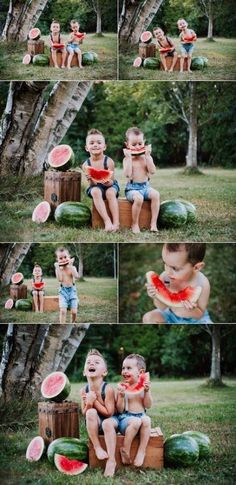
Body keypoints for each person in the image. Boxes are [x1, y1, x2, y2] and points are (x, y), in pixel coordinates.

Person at [101, 353, 152, 477]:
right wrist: (122, 396)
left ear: (141, 372)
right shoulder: (122, 387)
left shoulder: (144, 386)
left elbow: (148, 405)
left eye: (129, 368)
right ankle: (125, 449)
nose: (124, 371)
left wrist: (147, 392)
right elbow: (120, 409)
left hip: (140, 416)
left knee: (147, 420)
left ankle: (141, 451)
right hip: (126, 418)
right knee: (135, 421)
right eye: (123, 368)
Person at [143, 243, 212, 324]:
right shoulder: (165, 278)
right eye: (165, 263)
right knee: (148, 318)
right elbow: (162, 307)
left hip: (195, 320)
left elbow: (200, 314)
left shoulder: (202, 283)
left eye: (174, 268)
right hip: (170, 313)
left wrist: (191, 311)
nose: (168, 271)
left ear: (196, 267)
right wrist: (156, 297)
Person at [80, 349, 115, 474]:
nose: (91, 364)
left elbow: (109, 413)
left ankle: (111, 460)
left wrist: (94, 401)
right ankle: (97, 447)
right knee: (90, 413)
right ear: (84, 372)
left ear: (104, 372)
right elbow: (84, 413)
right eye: (88, 362)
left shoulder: (108, 389)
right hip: (93, 425)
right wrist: (89, 403)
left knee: (97, 414)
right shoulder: (84, 389)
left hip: (108, 425)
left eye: (96, 362)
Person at [123, 127, 160, 234]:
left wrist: (148, 156)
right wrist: (129, 158)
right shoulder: (126, 159)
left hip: (146, 187)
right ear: (127, 144)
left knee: (156, 195)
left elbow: (152, 171)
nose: (137, 147)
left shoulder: (146, 157)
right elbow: (127, 174)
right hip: (131, 189)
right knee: (138, 198)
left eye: (140, 144)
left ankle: (153, 223)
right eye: (134, 145)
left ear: (144, 143)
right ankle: (134, 224)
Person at [82, 128, 120, 232]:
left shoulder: (109, 162)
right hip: (95, 186)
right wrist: (91, 180)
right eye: (92, 143)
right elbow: (92, 185)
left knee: (111, 192)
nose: (95, 145)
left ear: (104, 147)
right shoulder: (86, 165)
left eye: (99, 142)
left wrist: (108, 182)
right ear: (87, 148)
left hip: (110, 185)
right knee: (95, 191)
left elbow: (112, 181)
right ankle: (107, 221)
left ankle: (116, 223)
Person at [54, 247, 79, 324]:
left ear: (69, 257)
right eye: (61, 258)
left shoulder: (72, 267)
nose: (64, 259)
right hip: (63, 292)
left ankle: (73, 322)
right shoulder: (59, 269)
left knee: (74, 312)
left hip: (72, 291)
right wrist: (57, 268)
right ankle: (62, 324)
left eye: (65, 257)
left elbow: (77, 276)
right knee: (63, 311)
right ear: (57, 260)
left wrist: (71, 265)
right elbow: (60, 279)